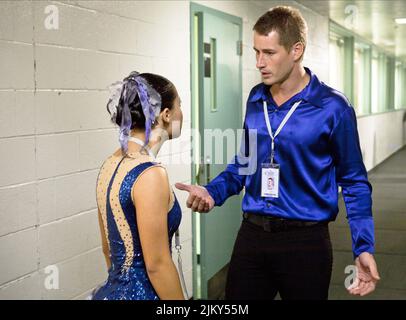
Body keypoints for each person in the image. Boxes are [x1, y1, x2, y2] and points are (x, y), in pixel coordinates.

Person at [176, 6, 380, 300]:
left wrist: (363, 246)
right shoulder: (256, 98)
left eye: (269, 53)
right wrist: (213, 192)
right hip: (253, 235)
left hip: (305, 243)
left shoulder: (333, 107)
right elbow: (243, 166)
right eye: (256, 52)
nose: (259, 62)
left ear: (297, 50)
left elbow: (354, 182)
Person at [91, 71, 185, 300]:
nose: (182, 113)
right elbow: (158, 265)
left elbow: (108, 249)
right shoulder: (151, 174)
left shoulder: (110, 163)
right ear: (165, 114)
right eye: (179, 105)